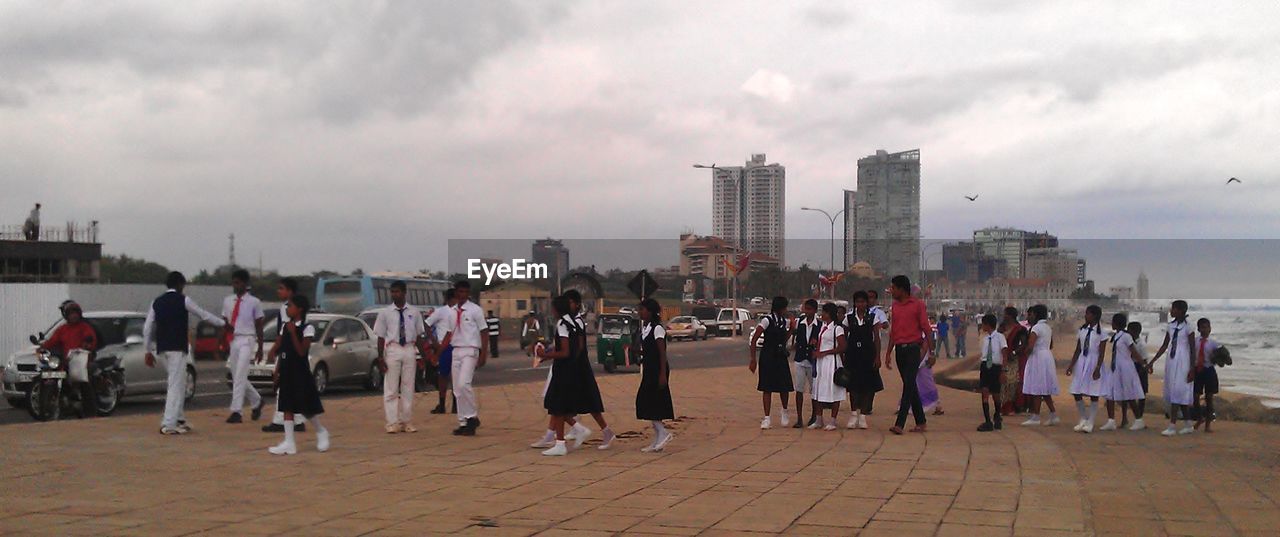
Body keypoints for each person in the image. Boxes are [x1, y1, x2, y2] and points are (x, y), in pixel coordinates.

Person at [144, 272, 224, 435]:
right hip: (177, 348)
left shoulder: (156, 302)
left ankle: (179, 418)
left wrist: (147, 350)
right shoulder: (183, 300)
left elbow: (147, 327)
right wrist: (223, 323)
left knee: (179, 383)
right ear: (180, 284)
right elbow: (203, 314)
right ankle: (168, 423)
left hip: (162, 349)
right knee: (174, 385)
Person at [535, 296, 606, 456]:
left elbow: (565, 351)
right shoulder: (574, 322)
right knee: (560, 406)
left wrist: (545, 355)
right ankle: (572, 432)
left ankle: (560, 443)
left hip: (563, 369)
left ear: (557, 309)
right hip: (572, 368)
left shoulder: (562, 324)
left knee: (557, 406)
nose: (551, 311)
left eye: (553, 308)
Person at [267, 295, 330, 455]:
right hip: (286, 370)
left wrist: (294, 333)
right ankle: (289, 442)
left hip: (300, 372)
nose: (287, 309)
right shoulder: (284, 327)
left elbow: (301, 351)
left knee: (305, 406)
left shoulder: (307, 328)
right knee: (287, 406)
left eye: (290, 306)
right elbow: (282, 349)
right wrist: (276, 369)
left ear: (299, 309)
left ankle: (321, 431)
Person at [373, 281, 428, 434]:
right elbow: (381, 337)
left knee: (408, 386)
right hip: (393, 348)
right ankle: (392, 422)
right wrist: (380, 357)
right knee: (391, 387)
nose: (394, 294)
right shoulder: (385, 313)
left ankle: (406, 421)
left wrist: (423, 356)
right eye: (392, 292)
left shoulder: (414, 312)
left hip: (409, 348)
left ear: (404, 293)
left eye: (397, 292)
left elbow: (418, 336)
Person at [884, 276, 934, 435]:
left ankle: (900, 423)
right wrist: (888, 353)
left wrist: (931, 352)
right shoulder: (895, 307)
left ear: (902, 289)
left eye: (893, 288)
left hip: (913, 349)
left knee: (908, 386)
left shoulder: (918, 305)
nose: (891, 291)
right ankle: (921, 422)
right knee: (910, 385)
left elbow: (927, 329)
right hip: (899, 350)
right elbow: (894, 331)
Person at [441, 280, 488, 436]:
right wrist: (438, 352)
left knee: (464, 383)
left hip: (470, 349)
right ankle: (463, 422)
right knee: (457, 389)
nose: (462, 295)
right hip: (456, 350)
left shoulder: (475, 310)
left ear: (468, 294)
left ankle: (472, 416)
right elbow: (449, 334)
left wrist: (483, 353)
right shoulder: (451, 312)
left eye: (465, 292)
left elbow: (484, 331)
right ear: (455, 293)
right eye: (459, 292)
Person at [38, 300, 98, 417]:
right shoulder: (62, 329)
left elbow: (91, 338)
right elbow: (52, 341)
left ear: (79, 314)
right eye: (70, 313)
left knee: (84, 382)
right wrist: (42, 348)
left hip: (81, 361)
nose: (73, 315)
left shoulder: (84, 327)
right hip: (65, 361)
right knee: (46, 375)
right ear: (66, 315)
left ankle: (90, 411)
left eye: (75, 313)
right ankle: (45, 407)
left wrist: (87, 345)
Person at [222, 269, 266, 424]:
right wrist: (222, 342)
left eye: (238, 282)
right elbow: (225, 323)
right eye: (234, 282)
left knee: (240, 373)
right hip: (233, 339)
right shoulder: (228, 301)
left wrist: (260, 348)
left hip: (248, 339)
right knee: (237, 376)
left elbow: (259, 325)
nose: (236, 285)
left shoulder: (254, 302)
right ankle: (257, 400)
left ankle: (236, 411)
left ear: (246, 284)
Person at [264, 278, 306, 433]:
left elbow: (285, 332)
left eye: (281, 288)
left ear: (290, 291)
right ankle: (298, 419)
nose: (278, 291)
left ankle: (280, 419)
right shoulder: (295, 306)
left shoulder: (288, 308)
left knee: (282, 386)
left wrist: (274, 348)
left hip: (288, 350)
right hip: (293, 350)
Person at [1149, 300, 1196, 436]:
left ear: (1180, 311)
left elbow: (1192, 348)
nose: (1171, 311)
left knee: (1178, 391)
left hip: (1183, 361)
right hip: (1172, 360)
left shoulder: (1189, 327)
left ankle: (1172, 425)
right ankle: (1187, 424)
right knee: (1174, 391)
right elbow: (1165, 345)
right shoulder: (1171, 326)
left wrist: (1192, 368)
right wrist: (1152, 361)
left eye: (1173, 309)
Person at [635, 298, 675, 452]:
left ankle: (663, 433)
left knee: (652, 401)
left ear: (650, 311)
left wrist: (662, 374)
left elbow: (661, 352)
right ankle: (658, 437)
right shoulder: (645, 328)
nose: (640, 312)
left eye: (642, 310)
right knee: (648, 402)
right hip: (649, 368)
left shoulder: (657, 329)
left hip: (657, 369)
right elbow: (648, 351)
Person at [749, 297, 793, 429]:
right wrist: (753, 359)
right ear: (779, 308)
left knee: (784, 386)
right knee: (766, 387)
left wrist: (791, 329)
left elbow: (784, 339)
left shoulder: (783, 321)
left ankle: (784, 411)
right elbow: (755, 338)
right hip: (768, 356)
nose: (786, 310)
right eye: (784, 308)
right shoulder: (767, 320)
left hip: (780, 356)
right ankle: (767, 418)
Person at [1099, 313, 1145, 432]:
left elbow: (1133, 351)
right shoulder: (1117, 336)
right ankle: (1111, 420)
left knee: (1129, 393)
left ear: (1117, 323)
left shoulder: (1126, 336)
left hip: (1125, 367)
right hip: (1115, 367)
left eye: (1113, 322)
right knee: (1110, 392)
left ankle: (1139, 419)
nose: (1112, 324)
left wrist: (1143, 363)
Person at [1065, 305, 1106, 434]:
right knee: (1076, 391)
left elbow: (1102, 353)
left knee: (1094, 393)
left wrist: (1098, 368)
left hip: (1093, 362)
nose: (1085, 316)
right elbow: (1078, 349)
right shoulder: (1082, 330)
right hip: (1082, 361)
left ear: (1094, 316)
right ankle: (1083, 417)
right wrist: (1071, 365)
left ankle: (1091, 421)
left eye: (1088, 314)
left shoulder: (1101, 333)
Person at [844, 291, 882, 430]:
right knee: (853, 386)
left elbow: (876, 338)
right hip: (853, 354)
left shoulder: (873, 318)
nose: (860, 304)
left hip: (868, 354)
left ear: (867, 303)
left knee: (867, 386)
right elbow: (844, 336)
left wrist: (877, 356)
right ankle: (853, 413)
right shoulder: (848, 318)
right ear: (854, 303)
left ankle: (863, 416)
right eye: (858, 302)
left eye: (863, 301)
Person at [1020, 304, 1061, 426]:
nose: (1029, 316)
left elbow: (1031, 346)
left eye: (1031, 314)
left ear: (1036, 314)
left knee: (1037, 386)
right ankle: (1053, 414)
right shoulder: (1047, 327)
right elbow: (1051, 345)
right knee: (1044, 386)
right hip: (1046, 356)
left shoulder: (1036, 328)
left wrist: (1025, 353)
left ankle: (1036, 416)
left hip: (1037, 357)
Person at [810, 302, 847, 431]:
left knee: (833, 390)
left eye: (824, 312)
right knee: (819, 389)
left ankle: (833, 420)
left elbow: (842, 346)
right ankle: (819, 419)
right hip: (821, 362)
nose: (822, 314)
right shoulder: (823, 327)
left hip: (831, 361)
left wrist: (825, 352)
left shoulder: (837, 328)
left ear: (829, 314)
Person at [425, 288, 458, 414]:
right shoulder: (441, 312)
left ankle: (455, 404)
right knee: (443, 375)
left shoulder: (460, 311)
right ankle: (443, 403)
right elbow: (427, 324)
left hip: (456, 344)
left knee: (455, 376)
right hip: (443, 346)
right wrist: (434, 341)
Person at [976, 313, 1008, 432]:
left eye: (983, 324)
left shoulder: (1000, 337)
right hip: (985, 366)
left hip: (995, 367)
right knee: (984, 392)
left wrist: (1004, 370)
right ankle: (988, 420)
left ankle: (997, 415)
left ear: (987, 324)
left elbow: (1004, 353)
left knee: (996, 394)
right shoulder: (984, 338)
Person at [791, 299, 821, 428]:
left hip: (813, 361)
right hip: (800, 359)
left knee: (814, 390)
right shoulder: (799, 323)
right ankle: (799, 418)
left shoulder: (820, 325)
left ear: (815, 310)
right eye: (805, 309)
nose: (807, 312)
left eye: (809, 309)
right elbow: (795, 338)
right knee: (799, 389)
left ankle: (814, 416)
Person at [1191, 318, 1220, 433]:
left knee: (1209, 398)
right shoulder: (1195, 341)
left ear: (1210, 329)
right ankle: (1199, 418)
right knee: (1195, 397)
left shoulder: (1214, 344)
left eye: (1207, 327)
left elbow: (1219, 357)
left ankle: (1208, 424)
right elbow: (1192, 355)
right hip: (1198, 370)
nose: (1205, 330)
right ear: (1198, 329)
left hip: (1209, 371)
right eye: (1202, 327)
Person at [999, 307, 1029, 415]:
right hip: (1003, 357)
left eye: (1005, 314)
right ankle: (1005, 406)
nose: (1003, 316)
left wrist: (1014, 352)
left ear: (1010, 316)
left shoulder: (1020, 329)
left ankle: (1013, 406)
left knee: (1013, 383)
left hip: (1014, 359)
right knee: (1003, 383)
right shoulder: (1001, 328)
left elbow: (1024, 344)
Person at [1125, 321, 1149, 430]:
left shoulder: (1141, 344)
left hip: (1139, 367)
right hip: (1130, 365)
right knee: (1127, 393)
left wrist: (1141, 371)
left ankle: (1139, 418)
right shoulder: (1128, 341)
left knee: (1141, 394)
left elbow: (1143, 360)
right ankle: (1125, 417)